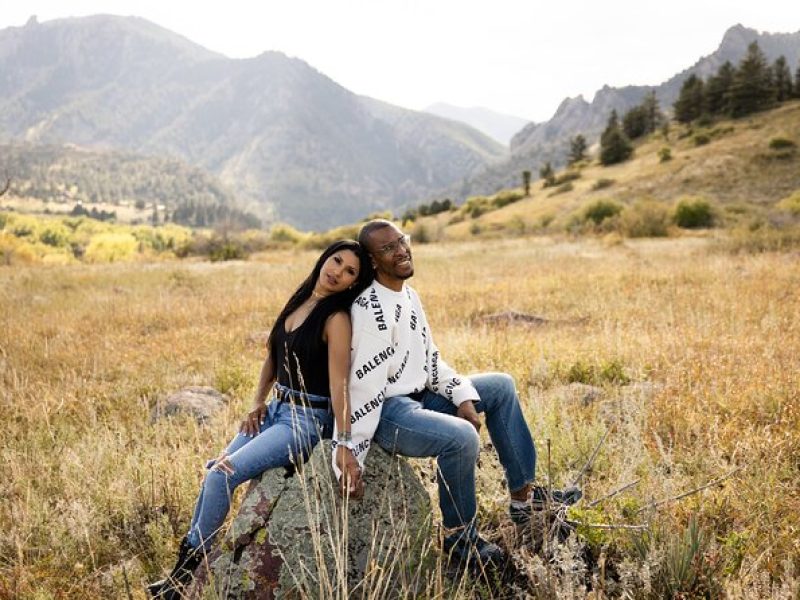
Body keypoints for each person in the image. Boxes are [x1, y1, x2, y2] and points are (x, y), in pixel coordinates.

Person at [331, 220, 580, 571]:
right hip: (388, 413)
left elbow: (432, 360)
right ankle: (461, 542)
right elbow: (362, 391)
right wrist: (348, 451)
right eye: (388, 248)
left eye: (402, 241)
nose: (401, 250)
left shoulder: (409, 296)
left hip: (419, 397)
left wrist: (462, 395)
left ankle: (525, 500)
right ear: (372, 261)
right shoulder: (370, 310)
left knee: (501, 385)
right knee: (462, 438)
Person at [149, 240, 372, 599]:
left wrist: (344, 443)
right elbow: (273, 356)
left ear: (352, 285)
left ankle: (182, 580)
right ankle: (179, 578)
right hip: (274, 410)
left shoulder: (336, 319)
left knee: (223, 477)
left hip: (304, 421)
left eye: (350, 272)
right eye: (336, 261)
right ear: (324, 258)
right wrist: (257, 403)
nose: (338, 272)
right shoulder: (299, 301)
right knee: (213, 472)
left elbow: (339, 386)